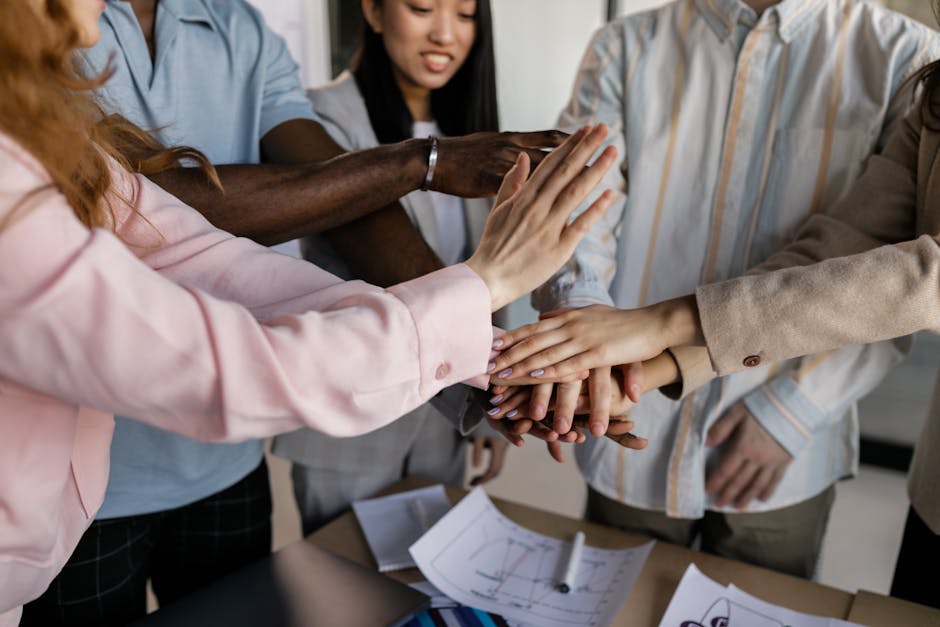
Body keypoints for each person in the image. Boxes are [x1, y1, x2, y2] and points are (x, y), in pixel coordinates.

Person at [0, 1, 621, 623]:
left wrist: (497, 360)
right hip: (97, 493)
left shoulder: (224, 35)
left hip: (213, 467)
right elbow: (233, 369)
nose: (92, 19)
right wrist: (485, 276)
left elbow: (207, 256)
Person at [489, 18, 940, 604]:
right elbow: (841, 246)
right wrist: (599, 359)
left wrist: (793, 411)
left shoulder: (904, 53)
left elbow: (899, 280)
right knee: (607, 608)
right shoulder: (625, 45)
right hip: (631, 419)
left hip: (783, 442)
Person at [270, 0, 513, 535]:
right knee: (346, 597)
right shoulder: (315, 116)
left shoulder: (474, 133)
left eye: (467, 15)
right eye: (422, 7)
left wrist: (492, 412)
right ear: (374, 12)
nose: (445, 34)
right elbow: (382, 261)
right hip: (352, 412)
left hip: (445, 416)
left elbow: (491, 279)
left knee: (429, 597)